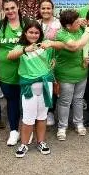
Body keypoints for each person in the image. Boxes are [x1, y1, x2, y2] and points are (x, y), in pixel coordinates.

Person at [7, 21, 57, 157]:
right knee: (28, 117)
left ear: (40, 34)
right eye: (31, 32)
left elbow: (58, 51)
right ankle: (24, 144)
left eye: (36, 32)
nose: (34, 35)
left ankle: (41, 141)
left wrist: (52, 50)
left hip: (46, 84)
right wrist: (24, 50)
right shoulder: (20, 47)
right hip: (29, 85)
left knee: (42, 115)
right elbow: (9, 56)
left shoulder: (45, 45)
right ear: (25, 33)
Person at [52, 10, 89, 140]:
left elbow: (86, 46)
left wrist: (88, 57)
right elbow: (75, 46)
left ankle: (79, 123)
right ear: (68, 26)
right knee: (65, 101)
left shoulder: (80, 30)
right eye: (76, 22)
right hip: (65, 75)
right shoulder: (61, 34)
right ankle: (62, 127)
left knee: (78, 99)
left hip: (82, 72)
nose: (79, 22)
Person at [0, 0, 27, 147]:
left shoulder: (27, 24)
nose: (10, 11)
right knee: (12, 101)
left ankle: (26, 130)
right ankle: (14, 131)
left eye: (12, 8)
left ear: (18, 7)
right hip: (6, 73)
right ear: (3, 11)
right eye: (7, 9)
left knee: (27, 102)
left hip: (27, 72)